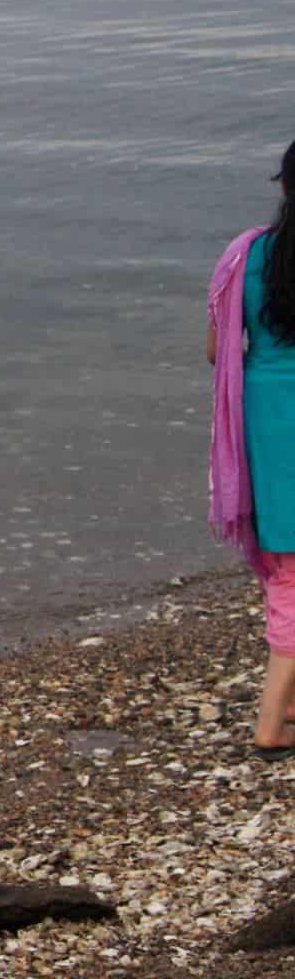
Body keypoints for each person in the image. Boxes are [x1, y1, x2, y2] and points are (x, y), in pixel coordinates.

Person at [207, 139, 295, 756]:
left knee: (285, 560)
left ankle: (288, 705)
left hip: (265, 416)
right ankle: (269, 724)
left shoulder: (247, 253)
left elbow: (218, 350)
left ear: (284, 188)